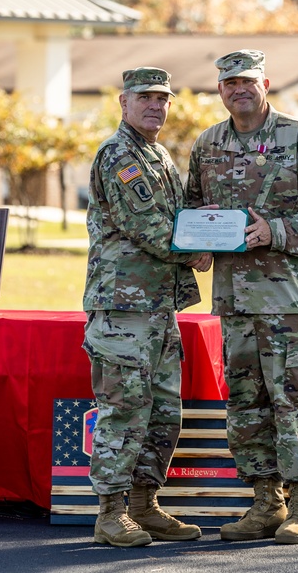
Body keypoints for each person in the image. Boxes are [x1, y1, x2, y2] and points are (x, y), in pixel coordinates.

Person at [185, 49, 298, 545]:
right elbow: (194, 205)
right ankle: (265, 503)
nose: (239, 89)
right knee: (247, 403)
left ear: (265, 84)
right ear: (220, 90)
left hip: (291, 300)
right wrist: (198, 244)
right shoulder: (208, 142)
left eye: (248, 81)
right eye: (230, 83)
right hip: (234, 302)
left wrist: (274, 231)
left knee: (294, 400)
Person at [82, 66, 212, 547]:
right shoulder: (120, 155)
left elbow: (176, 219)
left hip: (156, 307)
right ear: (124, 102)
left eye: (163, 98)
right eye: (145, 98)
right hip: (123, 309)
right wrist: (199, 251)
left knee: (162, 411)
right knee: (124, 409)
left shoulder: (155, 154)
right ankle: (111, 512)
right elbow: (150, 229)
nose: (156, 105)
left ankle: (144, 505)